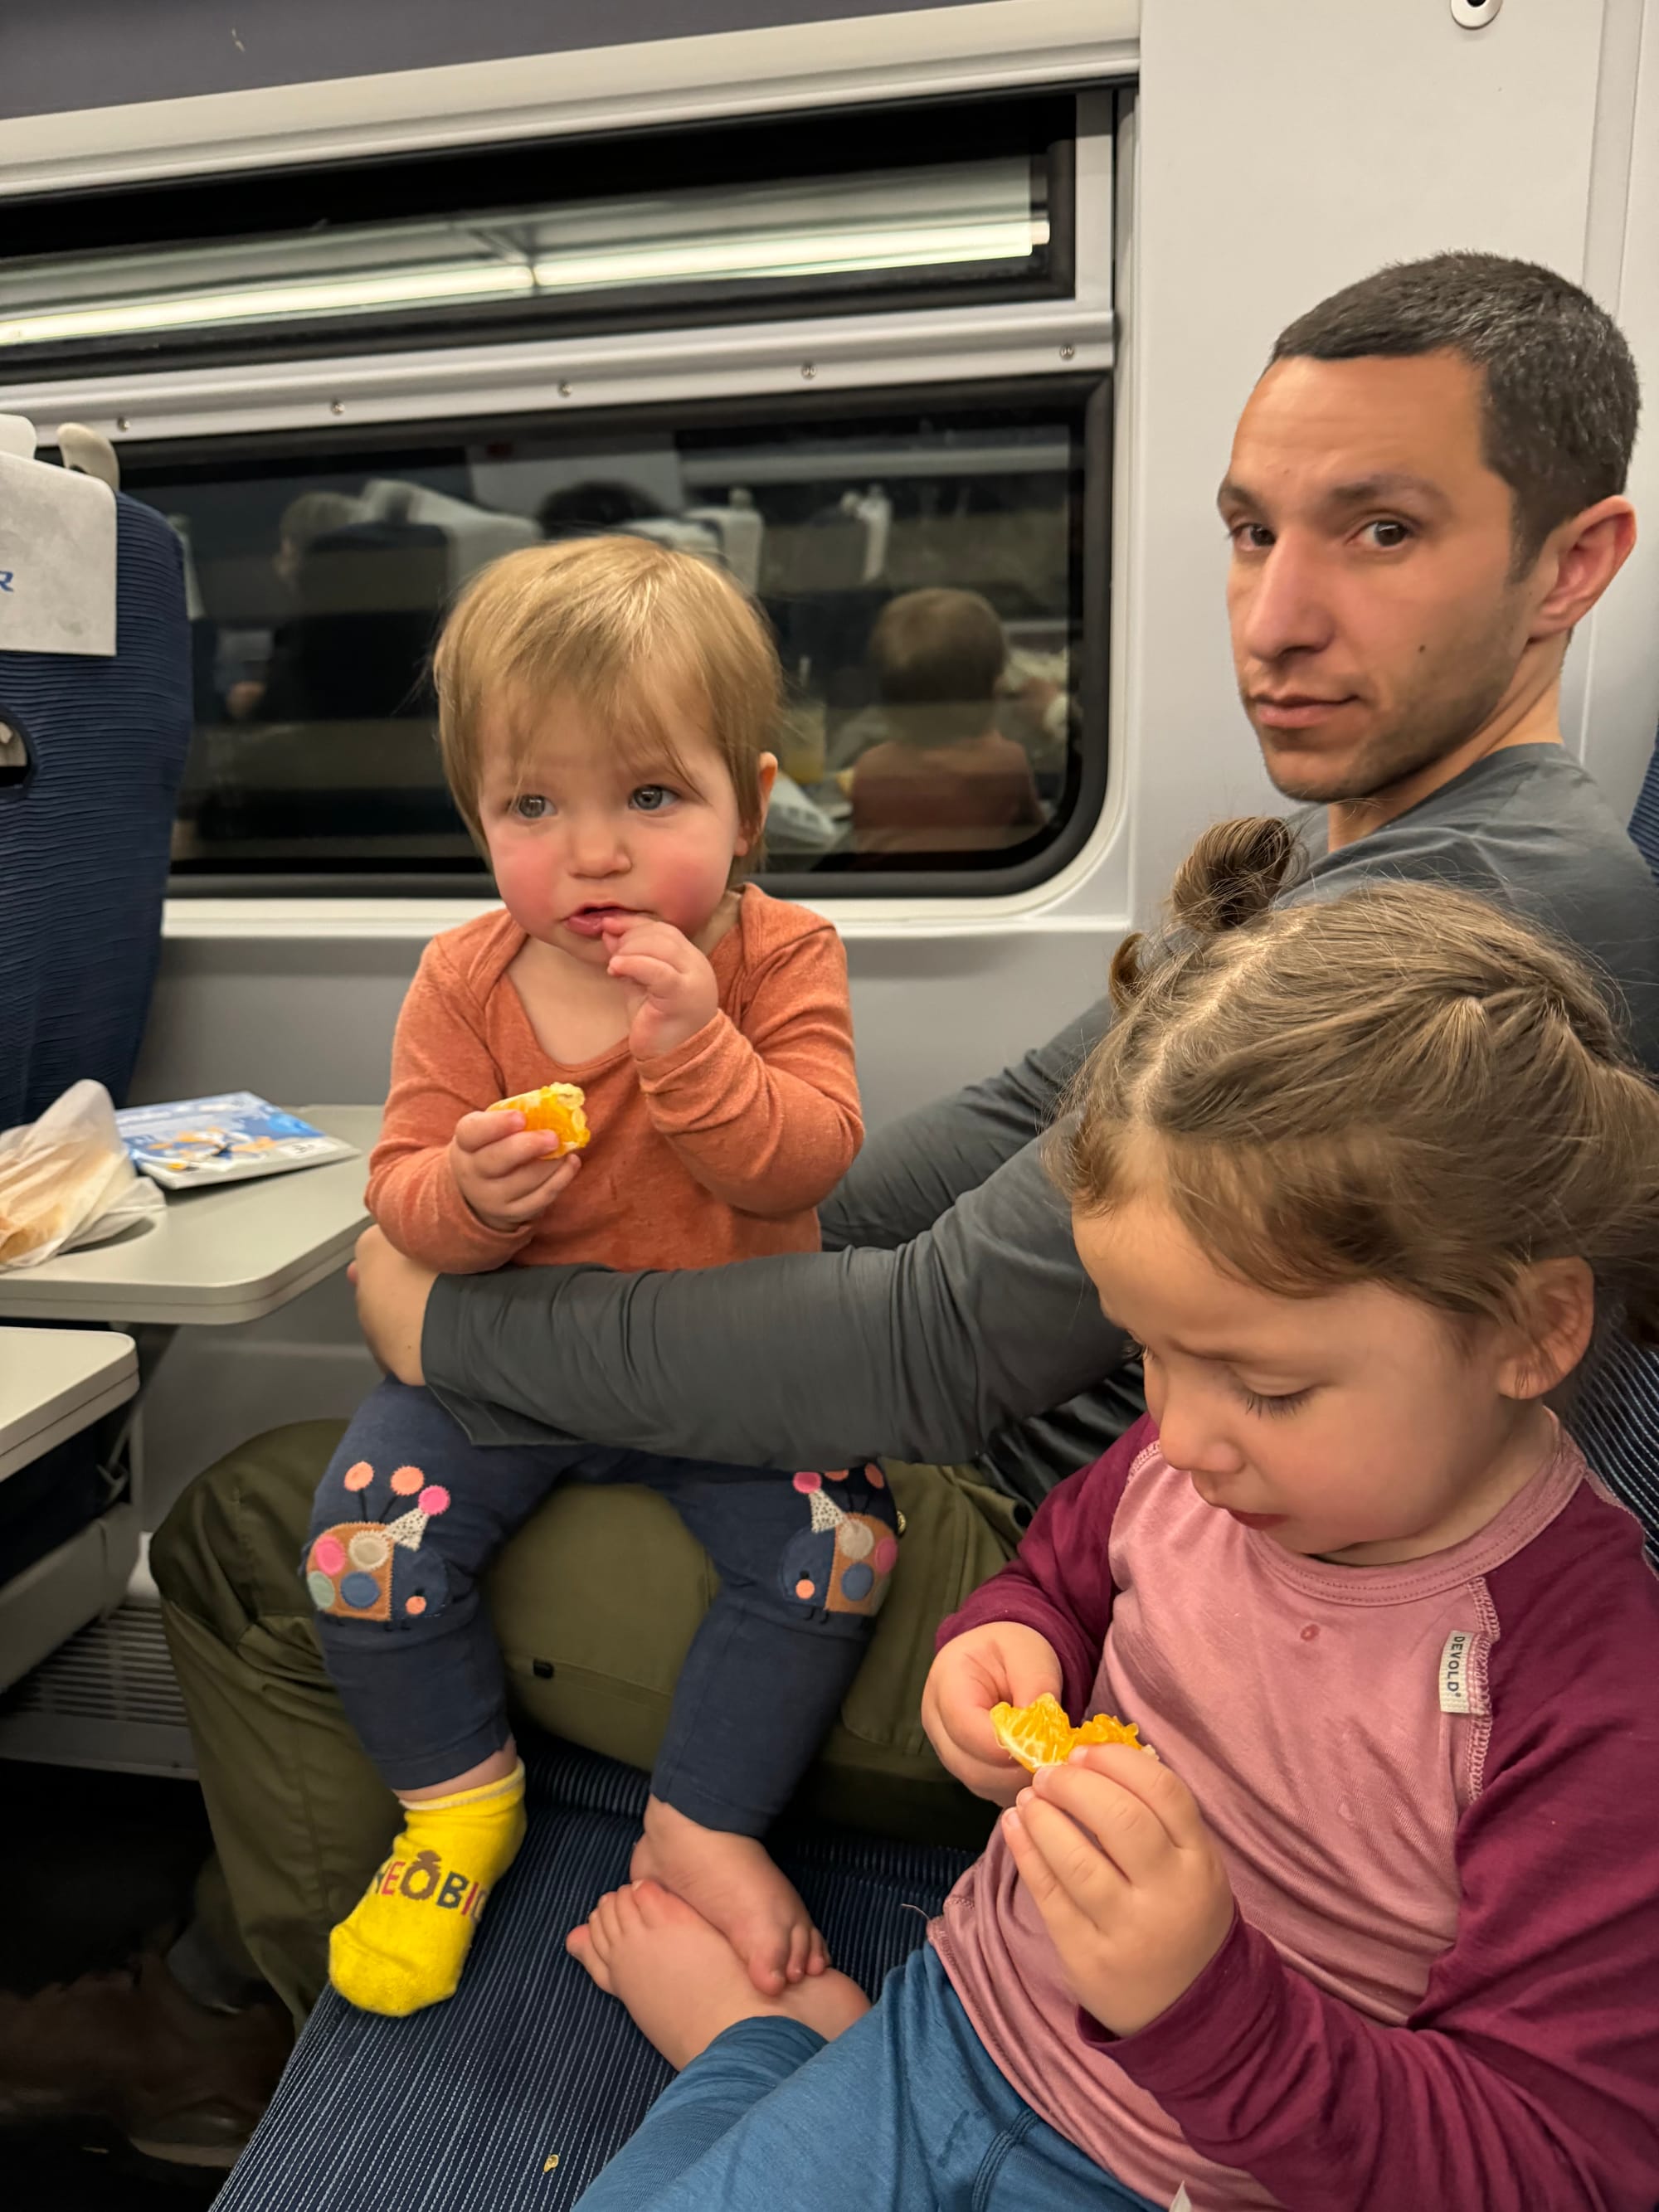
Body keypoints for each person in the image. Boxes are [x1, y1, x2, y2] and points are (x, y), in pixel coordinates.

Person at [19, 250, 1650, 2157]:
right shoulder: (1302, 861)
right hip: (1087, 1531)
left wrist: (451, 1322)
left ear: (1567, 562)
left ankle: (244, 2040)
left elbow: (933, 1347)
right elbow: (968, 1149)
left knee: (253, 1524)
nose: (1272, 617)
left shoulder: (1473, 916)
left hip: (1093, 1577)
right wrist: (680, 1209)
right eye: (1243, 529)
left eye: (1377, 530)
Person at [562, 832, 1659, 2212]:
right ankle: (776, 2053)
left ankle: (751, 2057)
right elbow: (1064, 1578)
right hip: (961, 2033)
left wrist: (1210, 2003)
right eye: (1149, 1354)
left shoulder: (1587, 1687)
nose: (1184, 1438)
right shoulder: (1189, 1462)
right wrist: (1002, 1644)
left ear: (1529, 1329)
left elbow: (1557, 2166)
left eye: (1267, 1385)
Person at [304, 533, 878, 2020]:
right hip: (513, 1366)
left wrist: (694, 1046)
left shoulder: (779, 954)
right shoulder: (464, 980)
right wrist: (469, 1199)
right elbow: (399, 1195)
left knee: (845, 1541)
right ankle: (456, 1802)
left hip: (731, 1361)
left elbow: (807, 1160)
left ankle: (704, 1817)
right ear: (478, 816)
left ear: (750, 810)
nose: (596, 853)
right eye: (534, 805)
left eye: (650, 797)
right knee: (358, 1547)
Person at [849, 589, 1045, 856]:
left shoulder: (872, 768)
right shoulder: (1006, 763)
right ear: (995, 692)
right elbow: (1039, 841)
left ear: (889, 708)